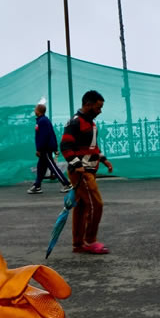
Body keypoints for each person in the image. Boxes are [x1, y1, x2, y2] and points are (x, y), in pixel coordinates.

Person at [60, 90, 114, 254]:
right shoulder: (74, 123)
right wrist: (77, 165)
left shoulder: (91, 123)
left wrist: (103, 159)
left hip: (90, 170)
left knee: (82, 206)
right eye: (98, 107)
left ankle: (78, 244)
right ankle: (90, 241)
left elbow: (93, 146)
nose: (100, 111)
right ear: (88, 104)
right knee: (95, 204)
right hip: (81, 173)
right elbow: (65, 146)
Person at [27, 103, 72, 194]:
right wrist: (55, 147)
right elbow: (52, 134)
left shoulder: (42, 121)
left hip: (45, 149)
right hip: (47, 147)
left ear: (38, 111)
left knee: (52, 166)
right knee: (41, 167)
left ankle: (66, 184)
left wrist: (39, 149)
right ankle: (37, 186)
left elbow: (44, 137)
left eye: (35, 109)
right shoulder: (43, 120)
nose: (34, 111)